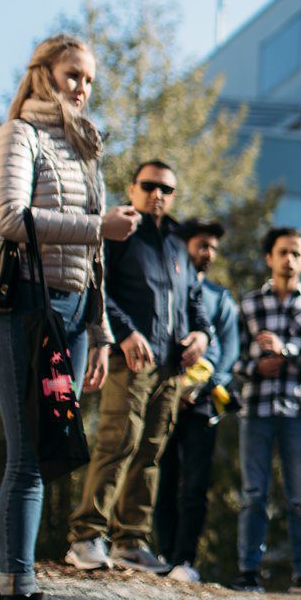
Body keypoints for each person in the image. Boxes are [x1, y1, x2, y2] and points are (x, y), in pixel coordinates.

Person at [0, 33, 135, 600]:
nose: (82, 88)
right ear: (43, 74)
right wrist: (100, 226)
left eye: (89, 79)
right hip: (24, 308)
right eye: (73, 75)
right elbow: (8, 218)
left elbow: (94, 257)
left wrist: (100, 332)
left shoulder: (84, 147)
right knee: (29, 459)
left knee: (45, 454)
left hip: (72, 313)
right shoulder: (20, 135)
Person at [66, 161, 211, 574]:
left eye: (166, 189)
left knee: (151, 451)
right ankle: (86, 536)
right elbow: (98, 287)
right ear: (132, 189)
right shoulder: (119, 232)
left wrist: (201, 335)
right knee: (118, 442)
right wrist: (126, 333)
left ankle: (130, 541)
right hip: (130, 361)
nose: (157, 195)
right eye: (148, 186)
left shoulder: (177, 244)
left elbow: (194, 300)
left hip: (171, 367)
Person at [233, 226, 301, 592]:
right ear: (269, 258)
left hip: (299, 411)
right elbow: (232, 359)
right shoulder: (249, 305)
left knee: (300, 497)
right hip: (256, 409)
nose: (289, 259)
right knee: (253, 494)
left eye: (297, 254)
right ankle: (248, 571)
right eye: (282, 252)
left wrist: (287, 351)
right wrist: (255, 368)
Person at [152, 219, 240, 584]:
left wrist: (204, 387)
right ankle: (162, 553)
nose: (208, 253)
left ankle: (185, 559)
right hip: (163, 395)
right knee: (161, 477)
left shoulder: (221, 298)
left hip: (203, 405)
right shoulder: (166, 289)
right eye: (202, 245)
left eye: (214, 248)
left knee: (195, 484)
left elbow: (230, 352)